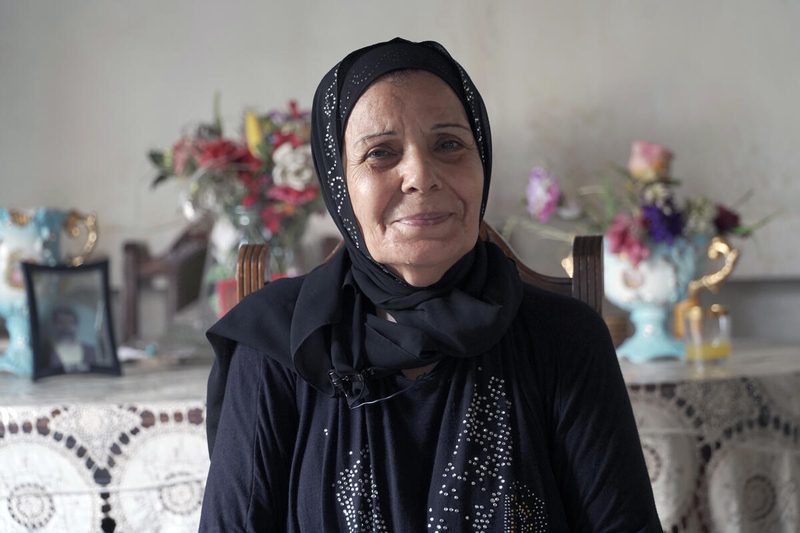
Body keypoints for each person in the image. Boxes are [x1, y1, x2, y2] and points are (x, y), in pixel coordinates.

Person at [199, 37, 660, 531]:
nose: (421, 174)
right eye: (380, 153)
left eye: (448, 144)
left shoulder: (563, 339)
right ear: (339, 183)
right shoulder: (282, 343)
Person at [46, 305, 96, 371]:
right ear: (54, 325)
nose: (66, 326)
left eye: (70, 322)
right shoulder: (47, 353)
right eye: (61, 322)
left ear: (76, 325)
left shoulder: (90, 351)